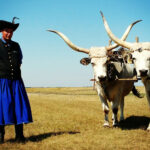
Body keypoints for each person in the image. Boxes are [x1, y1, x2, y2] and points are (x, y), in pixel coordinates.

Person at [0, 17, 33, 143]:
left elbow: (19, 62)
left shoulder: (16, 46)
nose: (9, 33)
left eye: (11, 31)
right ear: (1, 31)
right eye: (6, 31)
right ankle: (0, 136)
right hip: (2, 82)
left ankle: (19, 136)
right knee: (2, 108)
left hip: (16, 82)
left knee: (19, 108)